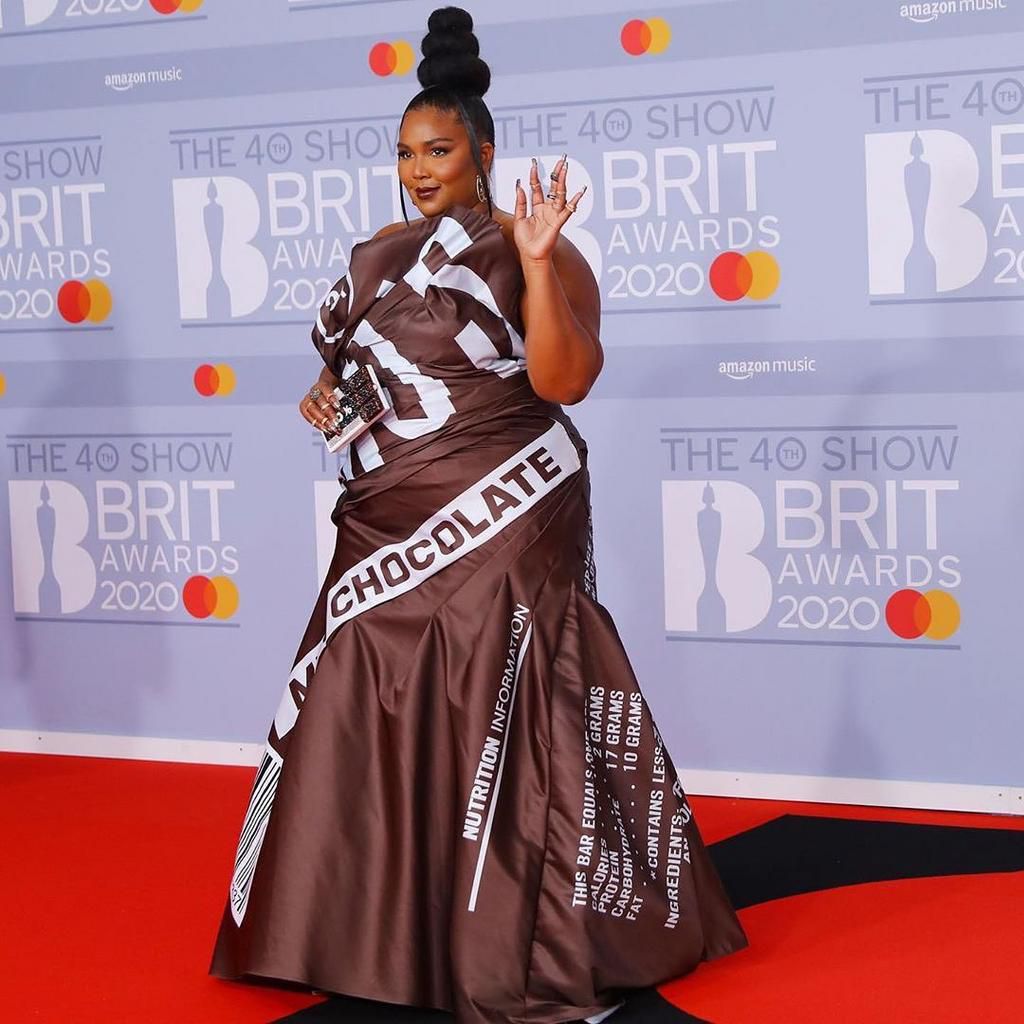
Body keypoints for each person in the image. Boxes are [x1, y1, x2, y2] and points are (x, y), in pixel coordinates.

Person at [209, 8, 747, 1022]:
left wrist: (540, 262)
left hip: (508, 506)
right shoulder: (374, 256)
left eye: (439, 150)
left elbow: (565, 377)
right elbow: (349, 379)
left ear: (483, 153)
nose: (419, 169)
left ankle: (523, 934)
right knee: (364, 689)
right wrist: (323, 399)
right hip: (383, 517)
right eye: (406, 152)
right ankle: (370, 929)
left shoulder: (532, 248)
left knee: (507, 700)